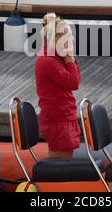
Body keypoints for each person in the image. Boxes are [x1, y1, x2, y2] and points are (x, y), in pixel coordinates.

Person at [35, 13, 81, 158]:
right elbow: (73, 82)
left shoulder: (58, 58)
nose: (71, 40)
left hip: (65, 116)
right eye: (67, 37)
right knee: (61, 167)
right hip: (57, 119)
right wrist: (69, 58)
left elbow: (76, 79)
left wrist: (69, 59)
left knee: (68, 159)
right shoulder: (48, 61)